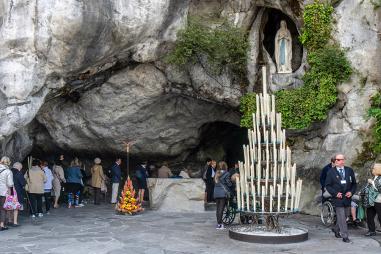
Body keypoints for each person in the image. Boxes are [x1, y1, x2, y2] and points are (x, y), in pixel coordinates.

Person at [325, 154, 357, 243]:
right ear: (335, 161)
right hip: (338, 198)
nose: (341, 161)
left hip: (347, 197)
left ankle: (336, 229)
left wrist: (351, 192)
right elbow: (328, 185)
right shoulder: (331, 172)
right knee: (342, 217)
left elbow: (354, 184)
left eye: (343, 159)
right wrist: (335, 194)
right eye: (339, 160)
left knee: (346, 215)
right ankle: (345, 236)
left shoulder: (349, 170)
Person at [365, 163, 381, 236]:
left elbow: (379, 188)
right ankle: (371, 231)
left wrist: (372, 182)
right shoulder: (373, 177)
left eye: (374, 168)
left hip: (379, 200)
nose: (372, 169)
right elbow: (368, 187)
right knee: (369, 216)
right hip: (371, 200)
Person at [213, 161, 229, 229]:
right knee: (221, 209)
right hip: (222, 193)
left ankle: (218, 224)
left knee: (218, 208)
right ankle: (220, 224)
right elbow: (228, 183)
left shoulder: (216, 173)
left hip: (216, 193)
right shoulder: (227, 173)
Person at [0, 156, 14, 230]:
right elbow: (10, 184)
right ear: (8, 162)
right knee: (2, 209)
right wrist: (11, 193)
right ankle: (1, 225)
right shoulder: (8, 171)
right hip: (3, 192)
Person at [11, 162, 25, 226]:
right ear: (19, 167)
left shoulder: (8, 171)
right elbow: (23, 183)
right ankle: (15, 222)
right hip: (17, 192)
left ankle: (9, 220)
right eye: (20, 168)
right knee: (16, 208)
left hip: (7, 192)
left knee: (8, 206)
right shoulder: (19, 173)